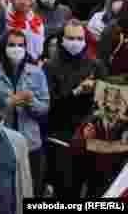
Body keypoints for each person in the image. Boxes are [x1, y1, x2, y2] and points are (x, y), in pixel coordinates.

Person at [0, 29, 50, 191]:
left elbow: (44, 107)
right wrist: (6, 103)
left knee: (32, 190)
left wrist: (31, 101)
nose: (17, 49)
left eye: (21, 45)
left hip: (31, 144)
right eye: (12, 45)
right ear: (3, 47)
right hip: (0, 143)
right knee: (5, 191)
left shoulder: (36, 73)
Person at [45, 20, 106, 200]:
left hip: (91, 136)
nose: (75, 42)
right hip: (61, 138)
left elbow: (105, 101)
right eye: (71, 38)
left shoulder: (96, 65)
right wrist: (76, 91)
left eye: (79, 38)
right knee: (65, 192)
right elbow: (50, 105)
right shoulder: (50, 67)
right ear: (62, 40)